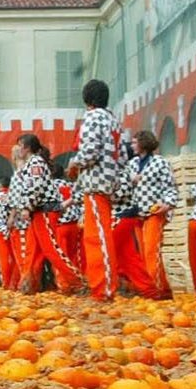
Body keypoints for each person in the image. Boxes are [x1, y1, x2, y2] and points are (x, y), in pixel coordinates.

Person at [8, 135, 81, 293]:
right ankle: (28, 284)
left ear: (26, 148)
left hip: (45, 211)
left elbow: (36, 187)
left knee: (51, 249)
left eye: (19, 146)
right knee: (32, 250)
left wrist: (27, 206)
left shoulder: (36, 163)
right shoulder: (33, 163)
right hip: (39, 211)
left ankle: (76, 280)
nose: (17, 149)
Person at [69, 80, 121, 300]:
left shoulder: (93, 117)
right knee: (99, 235)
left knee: (97, 237)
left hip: (96, 182)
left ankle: (103, 287)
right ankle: (101, 285)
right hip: (108, 181)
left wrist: (74, 162)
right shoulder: (113, 119)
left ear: (87, 100)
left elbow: (90, 152)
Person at [113, 130, 177, 299]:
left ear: (143, 143)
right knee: (143, 253)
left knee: (150, 250)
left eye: (134, 142)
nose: (132, 146)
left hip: (154, 211)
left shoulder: (160, 162)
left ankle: (152, 290)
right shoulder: (132, 164)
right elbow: (124, 188)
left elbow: (170, 185)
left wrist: (168, 203)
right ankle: (162, 289)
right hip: (137, 213)